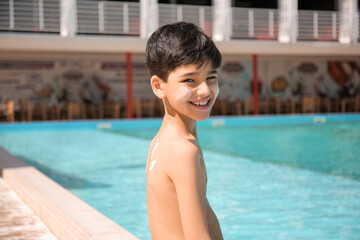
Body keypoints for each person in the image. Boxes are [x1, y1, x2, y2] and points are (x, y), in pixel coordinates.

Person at [145, 22, 224, 240]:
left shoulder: (160, 142)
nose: (205, 90)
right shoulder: (183, 151)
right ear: (159, 87)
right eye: (190, 80)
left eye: (211, 77)